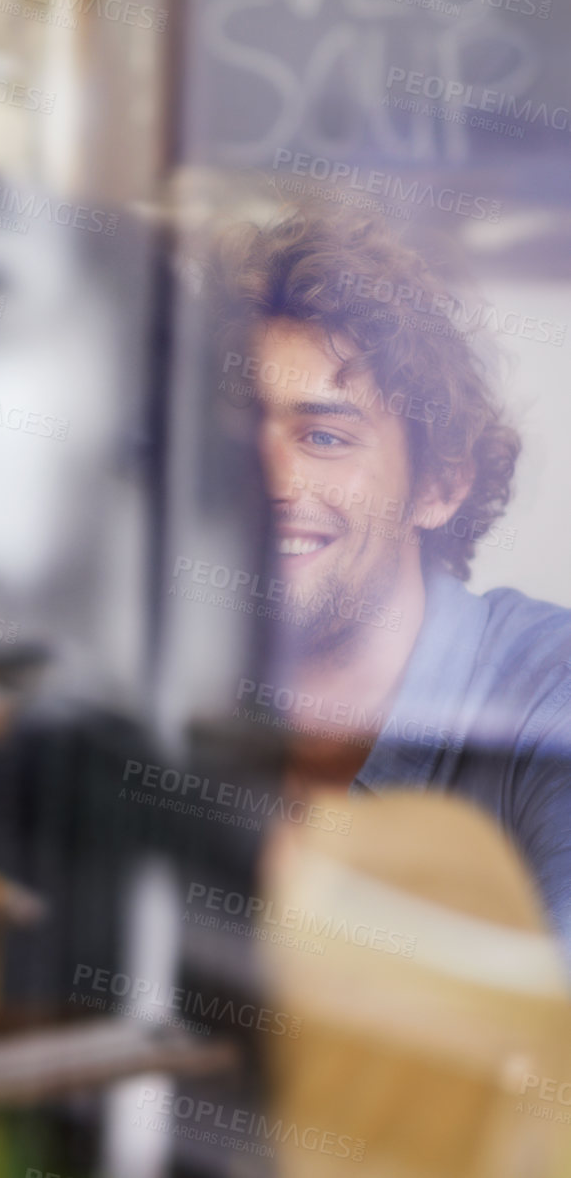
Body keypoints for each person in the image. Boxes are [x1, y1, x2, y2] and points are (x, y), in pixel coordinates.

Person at [214, 206, 571, 956]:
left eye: (325, 437)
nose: (270, 478)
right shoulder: (177, 694)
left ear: (440, 486)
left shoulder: (545, 696)